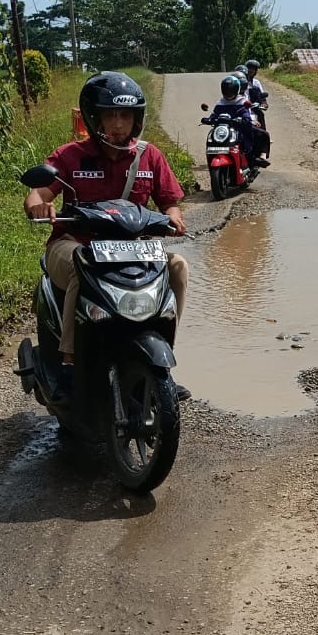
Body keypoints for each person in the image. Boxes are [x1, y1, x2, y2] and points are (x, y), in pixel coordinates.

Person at [23, 72, 191, 402]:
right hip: (74, 243)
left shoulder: (149, 156)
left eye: (125, 115)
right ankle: (70, 363)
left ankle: (160, 359)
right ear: (95, 117)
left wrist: (173, 218)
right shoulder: (71, 155)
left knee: (178, 266)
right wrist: (39, 207)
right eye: (110, 115)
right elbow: (37, 194)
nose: (118, 124)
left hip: (128, 249)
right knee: (79, 262)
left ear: (136, 119)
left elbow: (170, 204)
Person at [207, 73, 269, 166]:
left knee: (260, 134)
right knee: (211, 138)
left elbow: (246, 113)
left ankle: (250, 155)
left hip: (240, 129)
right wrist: (209, 119)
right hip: (225, 130)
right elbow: (214, 114)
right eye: (227, 90)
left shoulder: (242, 101)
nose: (229, 93)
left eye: (231, 91)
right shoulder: (220, 103)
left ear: (237, 90)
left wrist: (246, 119)